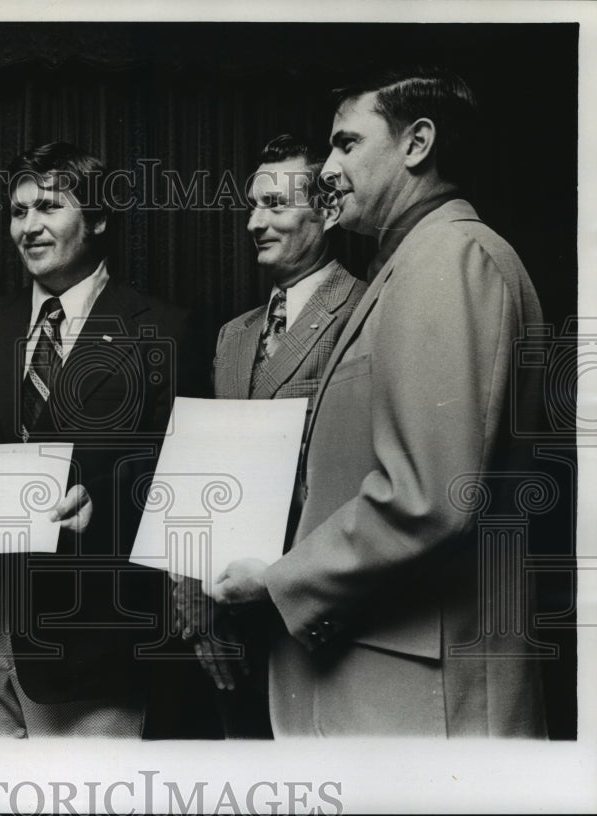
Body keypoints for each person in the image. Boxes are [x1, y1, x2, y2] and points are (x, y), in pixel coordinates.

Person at [210, 68, 547, 736]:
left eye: (346, 144)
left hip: (422, 698)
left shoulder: (450, 258)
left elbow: (429, 495)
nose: (329, 168)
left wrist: (279, 580)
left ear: (417, 143)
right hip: (393, 685)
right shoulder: (411, 263)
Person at [0, 142, 193, 737]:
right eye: (18, 212)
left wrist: (106, 506)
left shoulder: (163, 329)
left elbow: (185, 485)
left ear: (96, 218)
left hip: (91, 643)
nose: (28, 227)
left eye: (48, 208)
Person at [173, 134, 366, 737]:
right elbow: (199, 476)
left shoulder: (365, 313)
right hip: (232, 626)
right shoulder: (233, 336)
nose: (255, 222)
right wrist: (195, 600)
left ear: (327, 211)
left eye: (275, 205)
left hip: (323, 628)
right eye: (253, 205)